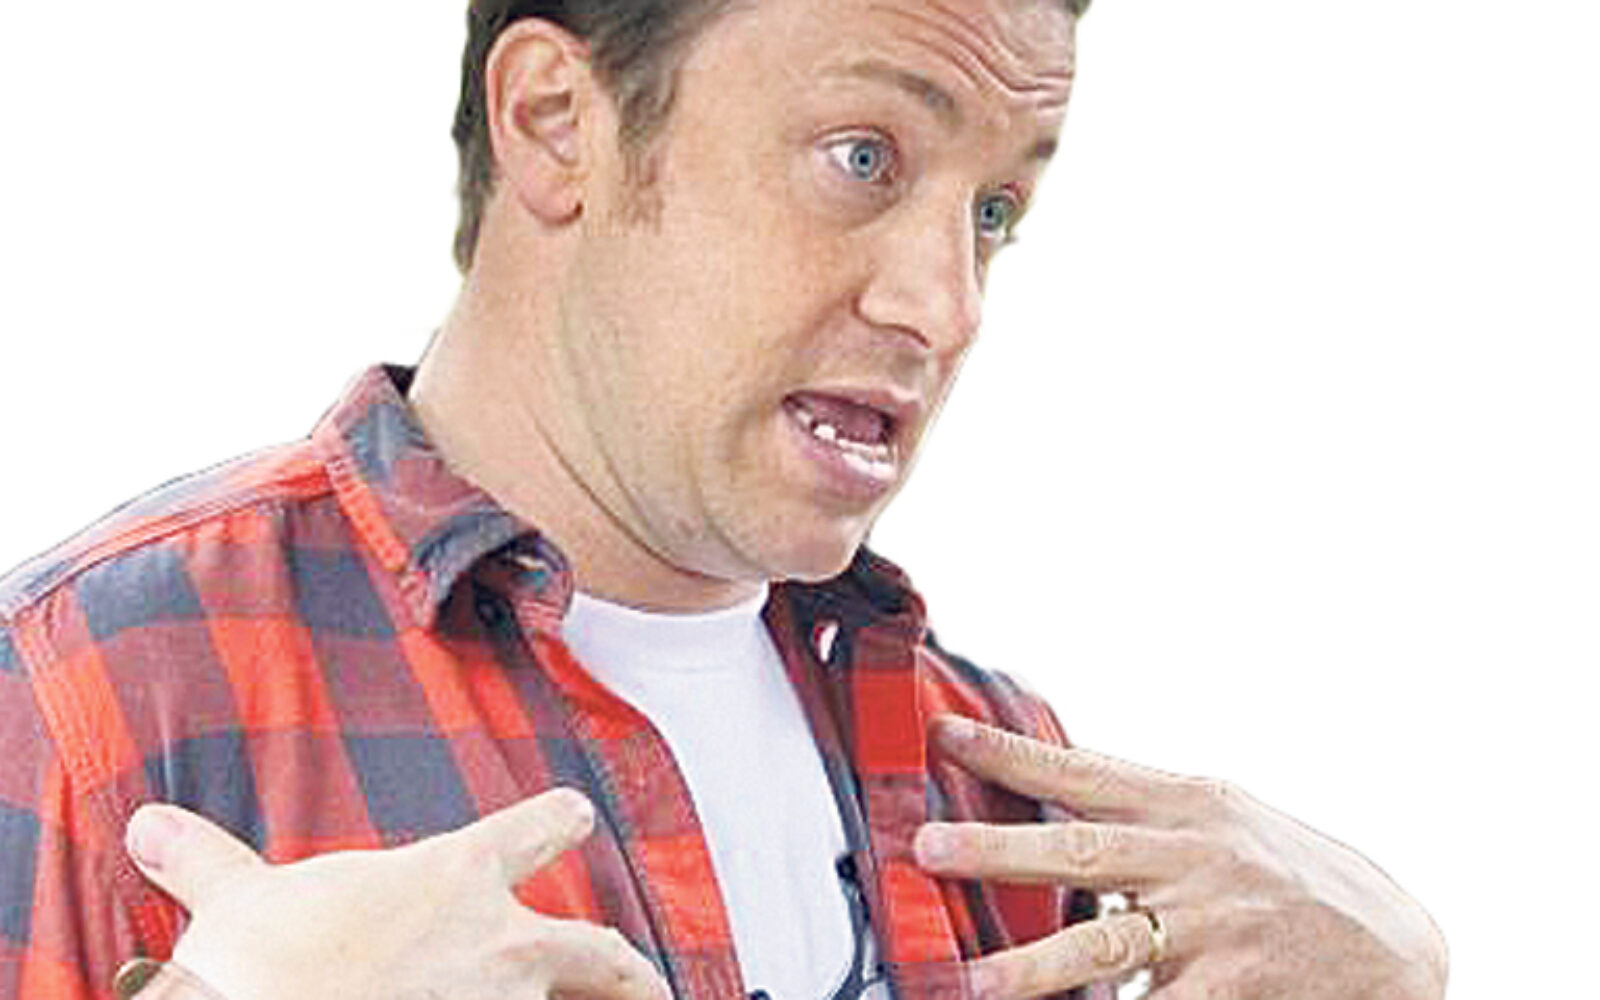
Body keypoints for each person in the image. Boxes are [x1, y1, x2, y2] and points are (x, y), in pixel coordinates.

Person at [0, 0, 1449, 998]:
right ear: (556, 123)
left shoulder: (1003, 782)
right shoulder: (95, 693)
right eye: (864, 158)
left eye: (993, 211)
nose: (946, 306)